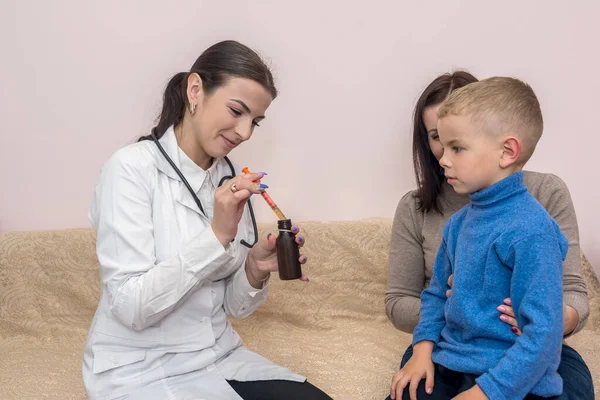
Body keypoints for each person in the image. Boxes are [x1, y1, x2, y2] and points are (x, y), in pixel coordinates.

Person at [82, 40, 332, 400]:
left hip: (218, 356)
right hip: (138, 369)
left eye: (255, 122)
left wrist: (255, 269)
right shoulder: (130, 170)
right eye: (236, 111)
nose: (245, 132)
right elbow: (131, 308)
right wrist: (216, 236)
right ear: (195, 90)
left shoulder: (230, 178)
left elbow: (233, 306)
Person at [385, 72, 593, 399]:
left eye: (457, 146)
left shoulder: (532, 227)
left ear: (507, 151)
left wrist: (486, 391)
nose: (443, 159)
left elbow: (543, 332)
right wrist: (424, 349)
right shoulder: (456, 224)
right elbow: (435, 294)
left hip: (521, 359)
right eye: (439, 139)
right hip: (452, 352)